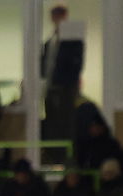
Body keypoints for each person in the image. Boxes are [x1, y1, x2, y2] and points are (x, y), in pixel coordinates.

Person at [41, 4, 84, 144]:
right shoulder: (49, 42)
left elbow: (76, 64)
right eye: (55, 16)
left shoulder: (73, 41)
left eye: (60, 16)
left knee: (66, 122)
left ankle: (66, 154)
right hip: (50, 88)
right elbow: (45, 65)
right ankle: (54, 154)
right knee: (52, 123)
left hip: (66, 88)